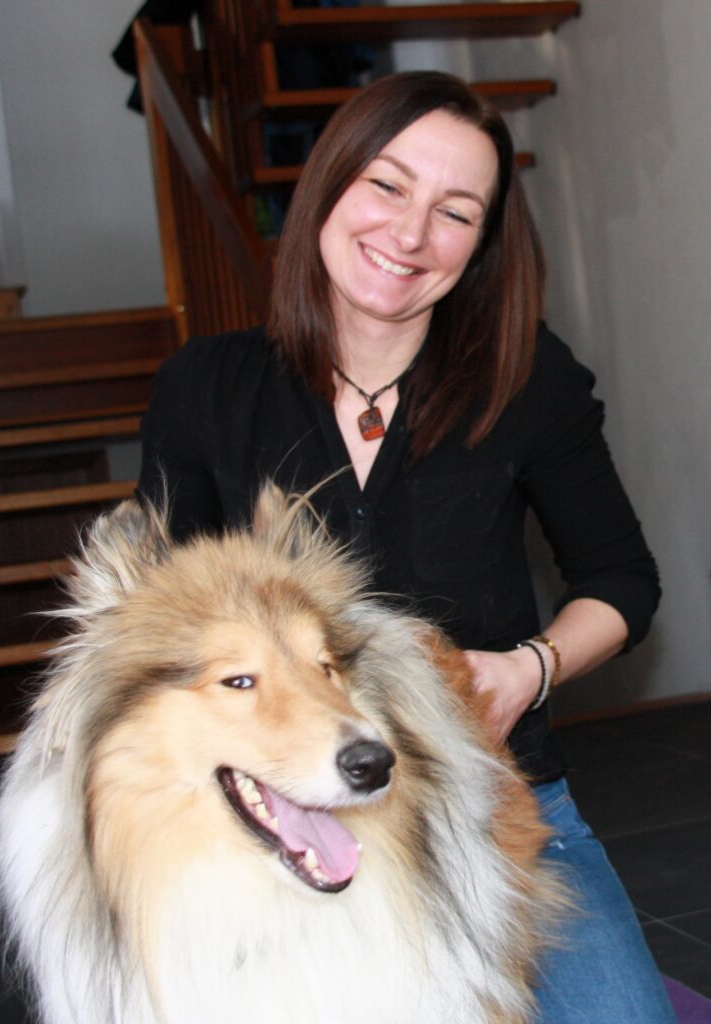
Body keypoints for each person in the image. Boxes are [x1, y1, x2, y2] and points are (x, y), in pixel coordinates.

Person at [138, 71, 675, 1023]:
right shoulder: (205, 388)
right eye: (386, 185)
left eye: (455, 212)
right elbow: (161, 621)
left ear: (483, 242)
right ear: (330, 184)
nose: (410, 233)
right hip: (281, 812)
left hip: (494, 803)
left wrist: (528, 671)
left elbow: (621, 582)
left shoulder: (530, 379)